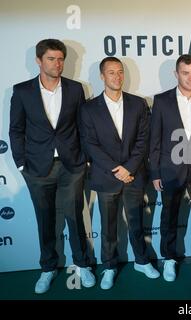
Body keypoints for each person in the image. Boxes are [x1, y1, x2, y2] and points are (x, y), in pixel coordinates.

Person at [9, 39, 95, 293]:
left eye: (60, 59)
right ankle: (47, 268)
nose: (57, 64)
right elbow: (16, 130)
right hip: (37, 168)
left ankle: (82, 264)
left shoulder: (75, 89)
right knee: (44, 220)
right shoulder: (23, 91)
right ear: (38, 60)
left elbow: (84, 127)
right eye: (51, 59)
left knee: (74, 217)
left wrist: (85, 158)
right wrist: (22, 163)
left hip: (71, 166)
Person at [80, 57, 159, 290]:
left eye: (120, 72)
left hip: (133, 176)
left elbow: (144, 139)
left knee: (136, 223)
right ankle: (110, 266)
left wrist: (129, 168)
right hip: (107, 177)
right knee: (108, 227)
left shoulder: (138, 103)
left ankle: (142, 261)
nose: (117, 77)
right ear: (102, 77)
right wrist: (117, 170)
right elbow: (90, 144)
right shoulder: (88, 108)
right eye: (111, 73)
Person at [149, 54, 191, 282]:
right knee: (168, 216)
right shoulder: (161, 101)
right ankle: (169, 258)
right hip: (170, 169)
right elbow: (155, 140)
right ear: (176, 74)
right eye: (185, 73)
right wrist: (156, 172)